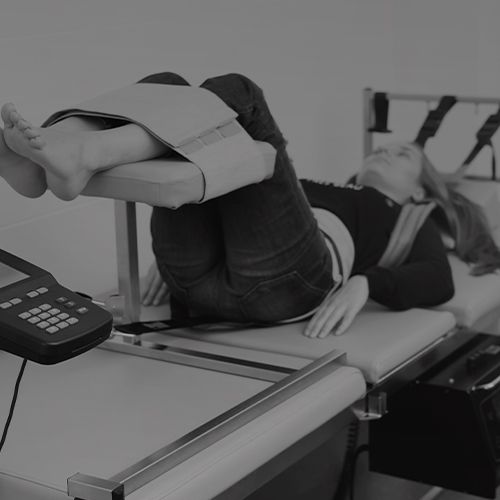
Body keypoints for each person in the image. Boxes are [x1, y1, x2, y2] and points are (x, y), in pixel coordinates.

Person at [1, 72, 499, 338]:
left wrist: (369, 282)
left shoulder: (405, 215)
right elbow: (235, 204)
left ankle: (75, 154)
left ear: (421, 190)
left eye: (405, 154)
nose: (389, 149)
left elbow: (438, 278)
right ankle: (48, 156)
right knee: (167, 87)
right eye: (390, 145)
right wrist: (164, 257)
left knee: (240, 93)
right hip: (194, 279)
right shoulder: (312, 187)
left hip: (287, 284)